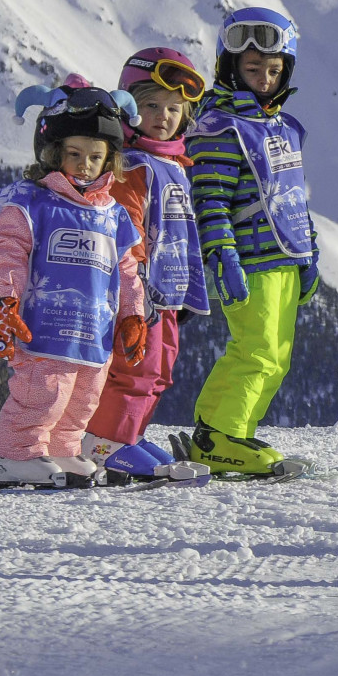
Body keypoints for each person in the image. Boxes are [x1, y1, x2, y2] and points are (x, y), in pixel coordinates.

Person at [0, 81, 148, 485]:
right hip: (42, 328)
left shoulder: (113, 214)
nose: (85, 165)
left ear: (109, 160)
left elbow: (127, 271)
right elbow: (9, 255)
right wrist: (5, 302)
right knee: (43, 394)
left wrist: (132, 316)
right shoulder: (30, 202)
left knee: (83, 398)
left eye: (95, 156)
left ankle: (62, 449)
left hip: (93, 330)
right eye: (74, 154)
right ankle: (13, 454)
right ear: (54, 152)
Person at [182, 7, 320, 476]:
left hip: (285, 257)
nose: (263, 79)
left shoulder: (282, 127)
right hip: (249, 260)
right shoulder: (220, 127)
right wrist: (222, 254)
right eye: (253, 67)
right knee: (256, 351)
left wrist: (310, 253)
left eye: (273, 70)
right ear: (230, 66)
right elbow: (210, 199)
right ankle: (223, 437)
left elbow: (293, 196)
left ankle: (221, 431)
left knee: (276, 357)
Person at [80, 48, 214, 483]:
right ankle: (106, 441)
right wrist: (135, 284)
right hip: (140, 294)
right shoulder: (134, 166)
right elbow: (127, 229)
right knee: (134, 368)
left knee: (160, 370)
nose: (163, 116)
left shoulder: (174, 164)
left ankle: (130, 434)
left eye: (174, 109)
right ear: (130, 109)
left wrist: (189, 288)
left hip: (168, 292)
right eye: (152, 105)